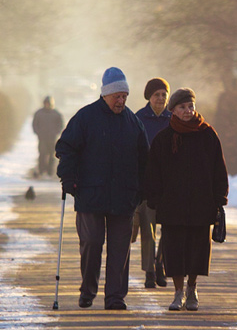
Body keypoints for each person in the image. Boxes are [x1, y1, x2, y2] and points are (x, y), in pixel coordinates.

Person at [55, 67, 149, 310]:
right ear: (105, 94)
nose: (121, 101)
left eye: (124, 96)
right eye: (117, 96)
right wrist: (68, 179)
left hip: (124, 197)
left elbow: (144, 159)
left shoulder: (133, 122)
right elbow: (66, 147)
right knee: (92, 243)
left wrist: (142, 189)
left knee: (120, 249)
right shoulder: (85, 118)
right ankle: (88, 290)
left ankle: (115, 297)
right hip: (90, 193)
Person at [146, 88, 228, 311]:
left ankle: (192, 289)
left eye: (190, 106)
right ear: (173, 110)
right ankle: (178, 292)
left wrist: (220, 197)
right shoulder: (164, 138)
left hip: (202, 204)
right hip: (172, 206)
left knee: (198, 250)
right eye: (182, 107)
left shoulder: (208, 134)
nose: (188, 111)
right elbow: (154, 171)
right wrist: (154, 198)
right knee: (174, 250)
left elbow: (219, 168)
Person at [132, 77, 172, 288]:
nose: (160, 98)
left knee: (168, 228)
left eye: (164, 95)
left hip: (169, 184)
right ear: (149, 96)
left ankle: (161, 265)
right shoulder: (138, 118)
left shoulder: (173, 119)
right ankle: (149, 271)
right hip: (147, 183)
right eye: (156, 94)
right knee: (148, 230)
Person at [32, 96, 64, 177]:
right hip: (42, 138)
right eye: (46, 103)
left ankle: (50, 172)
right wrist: (38, 132)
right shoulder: (39, 113)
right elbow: (35, 124)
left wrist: (56, 132)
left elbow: (60, 125)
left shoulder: (56, 114)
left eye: (48, 103)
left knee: (52, 155)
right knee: (42, 154)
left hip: (52, 138)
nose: (47, 105)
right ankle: (42, 171)